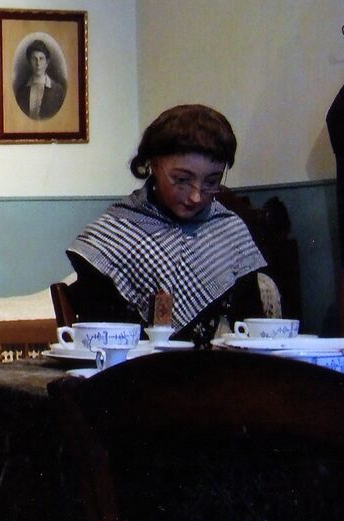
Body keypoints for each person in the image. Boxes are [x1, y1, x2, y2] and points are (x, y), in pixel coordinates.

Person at [65, 104, 267, 346]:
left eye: (212, 182)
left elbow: (252, 328)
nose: (196, 196)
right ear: (153, 164)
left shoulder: (230, 231)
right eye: (181, 180)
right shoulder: (111, 236)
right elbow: (97, 338)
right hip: (134, 366)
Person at [14, 39, 66, 120]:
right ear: (29, 62)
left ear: (47, 62)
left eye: (41, 59)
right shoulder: (21, 92)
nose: (38, 63)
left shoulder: (58, 91)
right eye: (34, 59)